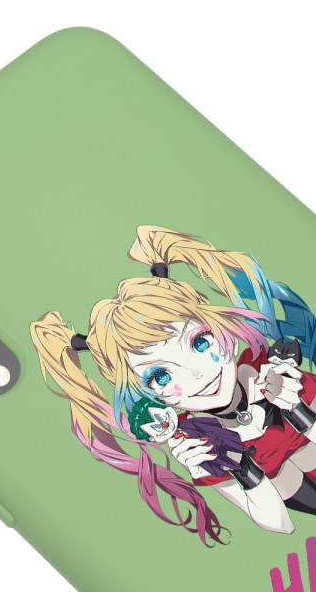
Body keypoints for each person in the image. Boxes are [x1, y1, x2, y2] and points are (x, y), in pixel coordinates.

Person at [30, 225, 316, 545]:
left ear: (221, 328)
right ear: (146, 395)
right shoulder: (199, 442)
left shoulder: (272, 370)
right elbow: (281, 525)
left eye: (200, 342)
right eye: (161, 377)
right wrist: (236, 466)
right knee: (285, 474)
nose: (198, 375)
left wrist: (297, 409)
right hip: (286, 485)